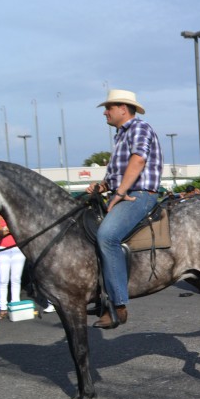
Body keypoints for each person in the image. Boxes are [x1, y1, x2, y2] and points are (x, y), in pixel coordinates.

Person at [85, 89, 163, 329]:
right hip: (124, 193)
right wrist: (102, 185)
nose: (105, 113)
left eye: (108, 108)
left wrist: (119, 193)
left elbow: (138, 161)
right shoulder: (120, 136)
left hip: (140, 194)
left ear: (123, 108)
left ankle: (118, 306)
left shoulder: (140, 128)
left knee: (107, 236)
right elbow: (117, 175)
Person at [0, 214, 28, 320]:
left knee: (16, 279)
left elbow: (23, 229)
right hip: (2, 249)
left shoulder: (14, 214)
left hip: (18, 248)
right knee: (3, 280)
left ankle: (15, 304)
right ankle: (3, 307)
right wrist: (10, 228)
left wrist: (6, 229)